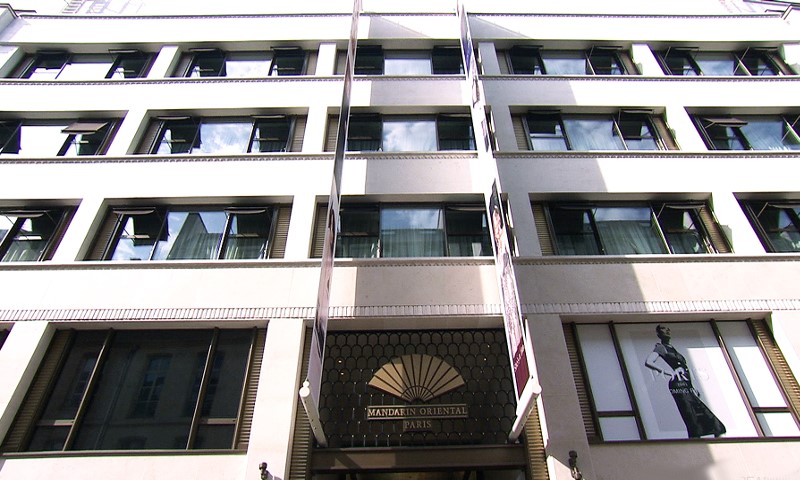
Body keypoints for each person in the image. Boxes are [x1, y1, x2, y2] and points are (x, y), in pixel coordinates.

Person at [644, 325, 726, 438]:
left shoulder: (672, 348)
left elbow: (685, 368)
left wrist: (692, 387)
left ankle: (715, 432)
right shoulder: (661, 347)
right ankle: (695, 437)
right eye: (663, 329)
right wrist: (667, 372)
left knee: (698, 407)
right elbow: (649, 361)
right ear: (658, 334)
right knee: (688, 409)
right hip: (677, 383)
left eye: (668, 328)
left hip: (686, 383)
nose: (667, 330)